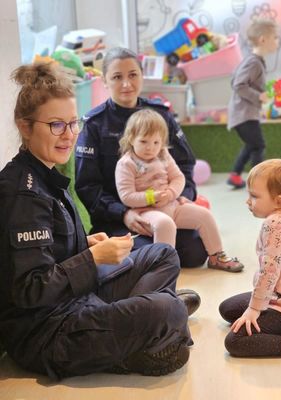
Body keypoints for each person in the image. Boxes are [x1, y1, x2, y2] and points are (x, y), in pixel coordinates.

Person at [0, 62, 200, 380]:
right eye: (56, 125)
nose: (69, 136)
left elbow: (52, 251)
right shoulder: (22, 193)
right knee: (169, 309)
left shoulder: (45, 172)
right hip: (48, 332)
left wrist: (85, 244)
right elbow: (30, 290)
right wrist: (91, 258)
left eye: (73, 123)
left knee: (164, 254)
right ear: (25, 127)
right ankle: (152, 323)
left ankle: (143, 327)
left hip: (77, 300)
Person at [75, 46, 207, 268]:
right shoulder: (94, 124)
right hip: (118, 218)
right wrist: (124, 213)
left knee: (194, 252)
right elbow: (88, 186)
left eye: (133, 75)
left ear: (142, 76)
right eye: (117, 77)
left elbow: (185, 164)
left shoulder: (161, 115)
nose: (126, 84)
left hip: (166, 208)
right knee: (141, 255)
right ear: (105, 82)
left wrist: (182, 196)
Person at [115, 108, 244, 273]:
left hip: (172, 204)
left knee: (204, 215)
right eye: (144, 142)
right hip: (147, 212)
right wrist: (150, 197)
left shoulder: (163, 155)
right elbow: (126, 196)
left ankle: (216, 256)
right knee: (165, 224)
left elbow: (178, 178)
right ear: (131, 139)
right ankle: (163, 270)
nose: (150, 148)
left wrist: (170, 194)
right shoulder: (127, 163)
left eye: (156, 142)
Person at [219, 159, 281, 357]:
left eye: (254, 196)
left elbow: (269, 272)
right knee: (228, 309)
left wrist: (255, 309)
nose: (248, 201)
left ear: (279, 202)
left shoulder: (275, 223)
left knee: (235, 341)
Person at [227, 19, 279, 189]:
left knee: (252, 144)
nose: (277, 41)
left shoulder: (253, 61)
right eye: (275, 37)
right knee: (258, 145)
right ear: (263, 39)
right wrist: (259, 97)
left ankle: (235, 175)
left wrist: (259, 98)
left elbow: (235, 80)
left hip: (245, 113)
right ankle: (259, 183)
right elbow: (238, 85)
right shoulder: (253, 62)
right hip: (244, 114)